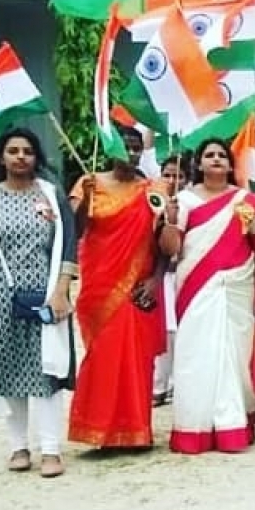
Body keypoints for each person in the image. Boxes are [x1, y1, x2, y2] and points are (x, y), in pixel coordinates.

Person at [158, 138, 255, 454]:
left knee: (234, 356)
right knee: (195, 356)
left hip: (236, 288)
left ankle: (233, 425)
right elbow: (170, 250)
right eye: (209, 155)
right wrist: (169, 221)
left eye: (221, 155)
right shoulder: (184, 201)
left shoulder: (246, 202)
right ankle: (194, 429)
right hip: (195, 289)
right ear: (198, 164)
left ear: (230, 164)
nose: (215, 159)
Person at [0, 128, 77, 477]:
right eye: (13, 151)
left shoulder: (51, 194)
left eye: (27, 151)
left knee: (46, 369)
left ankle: (51, 450)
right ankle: (18, 446)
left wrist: (61, 290)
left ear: (36, 157)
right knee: (9, 368)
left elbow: (68, 243)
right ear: (1, 158)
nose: (20, 156)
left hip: (46, 293)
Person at [68, 125, 167, 451]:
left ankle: (137, 431)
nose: (131, 152)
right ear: (112, 150)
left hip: (138, 285)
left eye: (136, 147)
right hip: (99, 286)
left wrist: (156, 279)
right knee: (102, 358)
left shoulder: (153, 189)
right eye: (125, 146)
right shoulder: (88, 183)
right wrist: (87, 198)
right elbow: (75, 230)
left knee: (135, 358)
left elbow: (163, 239)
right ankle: (100, 432)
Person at [153, 155, 187, 406]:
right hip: (160, 275)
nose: (173, 180)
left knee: (182, 332)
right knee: (164, 332)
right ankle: (159, 385)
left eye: (179, 175)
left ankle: (179, 384)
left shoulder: (191, 203)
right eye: (168, 175)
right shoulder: (153, 201)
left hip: (185, 274)